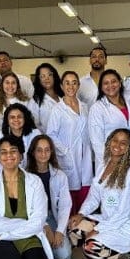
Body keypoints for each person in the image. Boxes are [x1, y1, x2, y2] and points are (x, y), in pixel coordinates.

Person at [68, 129, 130, 259]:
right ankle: (109, 251)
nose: (117, 145)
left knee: (90, 247)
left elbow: (123, 213)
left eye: (123, 143)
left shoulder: (129, 176)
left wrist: (97, 229)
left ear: (128, 148)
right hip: (109, 218)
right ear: (109, 142)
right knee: (74, 229)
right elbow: (94, 197)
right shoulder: (103, 166)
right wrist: (81, 214)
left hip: (127, 225)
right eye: (115, 140)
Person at [46, 71, 92, 215]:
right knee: (69, 196)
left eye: (74, 83)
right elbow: (51, 134)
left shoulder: (85, 106)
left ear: (78, 85)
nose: (71, 86)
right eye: (67, 83)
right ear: (61, 86)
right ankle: (70, 225)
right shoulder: (58, 109)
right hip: (68, 157)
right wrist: (66, 151)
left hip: (85, 157)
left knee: (85, 192)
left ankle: (82, 224)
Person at [26, 135, 72, 259]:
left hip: (51, 216)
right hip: (32, 218)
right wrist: (45, 226)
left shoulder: (60, 176)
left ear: (51, 152)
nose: (43, 154)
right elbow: (28, 207)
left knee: (63, 254)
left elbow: (65, 205)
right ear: (33, 152)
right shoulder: (26, 176)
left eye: (47, 150)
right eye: (39, 150)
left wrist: (59, 231)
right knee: (41, 250)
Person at [88, 69, 130, 174]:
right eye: (106, 83)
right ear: (101, 87)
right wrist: (110, 163)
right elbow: (96, 141)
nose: (110, 85)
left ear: (120, 83)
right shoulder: (97, 108)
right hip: (110, 161)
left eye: (114, 81)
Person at [0, 72, 39, 148]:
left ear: (17, 85)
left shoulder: (27, 102)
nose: (10, 86)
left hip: (25, 141)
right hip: (3, 143)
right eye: (7, 83)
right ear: (2, 85)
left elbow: (35, 122)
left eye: (13, 83)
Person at [0, 103, 41, 172]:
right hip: (7, 173)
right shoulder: (0, 136)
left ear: (25, 118)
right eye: (12, 117)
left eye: (19, 117)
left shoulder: (35, 134)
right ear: (7, 120)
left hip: (32, 173)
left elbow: (39, 159)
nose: (16, 119)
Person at [32, 63, 63, 132]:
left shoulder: (63, 95)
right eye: (42, 76)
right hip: (46, 137)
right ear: (39, 79)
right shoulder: (35, 100)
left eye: (50, 75)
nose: (47, 78)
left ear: (54, 77)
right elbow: (34, 125)